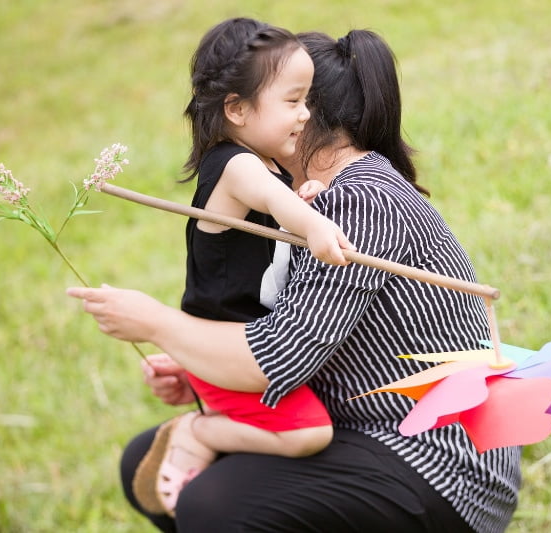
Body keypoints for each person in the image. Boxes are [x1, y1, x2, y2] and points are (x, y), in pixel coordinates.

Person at [68, 27, 521, 533]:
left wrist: (159, 323)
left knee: (213, 502)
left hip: (434, 459)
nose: (296, 113)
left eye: (300, 101)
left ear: (309, 116)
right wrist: (199, 361)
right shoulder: (313, 197)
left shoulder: (357, 201)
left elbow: (275, 356)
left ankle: (202, 438)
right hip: (355, 427)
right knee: (143, 463)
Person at [128, 18, 358, 518]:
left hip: (241, 344)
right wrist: (310, 221)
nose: (306, 114)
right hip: (223, 348)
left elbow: (275, 205)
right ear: (236, 108)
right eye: (293, 101)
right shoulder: (233, 165)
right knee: (309, 432)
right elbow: (271, 199)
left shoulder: (266, 167)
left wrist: (303, 202)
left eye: (308, 99)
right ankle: (197, 433)